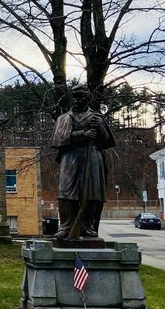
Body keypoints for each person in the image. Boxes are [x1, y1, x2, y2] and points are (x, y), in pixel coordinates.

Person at [50, 84, 116, 239]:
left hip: (92, 156)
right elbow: (58, 139)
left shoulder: (97, 118)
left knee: (92, 193)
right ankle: (66, 226)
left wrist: (100, 128)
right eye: (75, 97)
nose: (76, 100)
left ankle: (88, 226)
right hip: (71, 156)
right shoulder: (64, 118)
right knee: (66, 191)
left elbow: (107, 141)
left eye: (80, 96)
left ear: (87, 98)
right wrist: (83, 134)